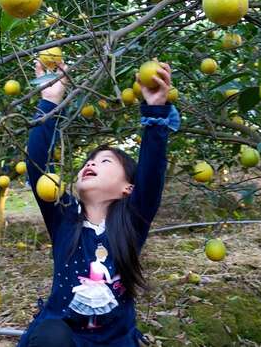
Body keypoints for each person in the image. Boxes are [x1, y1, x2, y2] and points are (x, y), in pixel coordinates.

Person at [18, 58, 180, 347]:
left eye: (104, 161)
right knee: (51, 335)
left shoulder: (133, 221)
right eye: (88, 162)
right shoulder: (64, 216)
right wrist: (50, 101)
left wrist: (155, 110)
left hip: (115, 341)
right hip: (64, 338)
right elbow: (37, 166)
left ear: (128, 188)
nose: (91, 164)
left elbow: (152, 172)